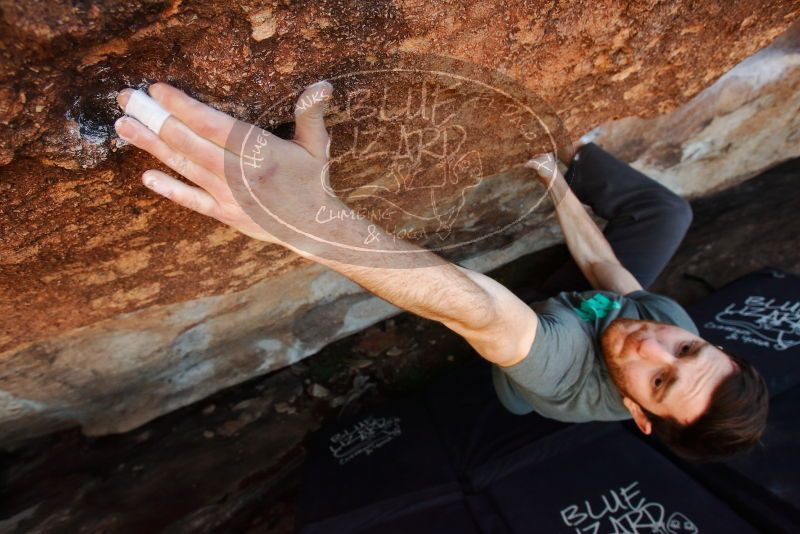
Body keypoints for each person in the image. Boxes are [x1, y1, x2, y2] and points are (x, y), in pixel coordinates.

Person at [113, 81, 768, 462]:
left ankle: (316, 160)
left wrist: (314, 223)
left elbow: (478, 311)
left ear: (638, 414)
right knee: (666, 217)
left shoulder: (562, 377)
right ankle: (577, 159)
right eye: (687, 348)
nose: (655, 343)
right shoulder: (668, 326)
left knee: (500, 324)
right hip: (570, 306)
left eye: (659, 378)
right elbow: (605, 267)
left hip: (529, 355)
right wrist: (553, 182)